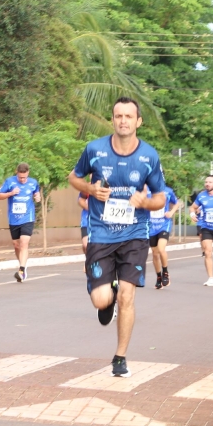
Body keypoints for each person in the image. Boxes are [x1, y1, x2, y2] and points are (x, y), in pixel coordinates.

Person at [67, 96, 167, 378]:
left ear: (138, 121)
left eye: (128, 116)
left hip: (134, 234)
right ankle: (106, 300)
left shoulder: (149, 156)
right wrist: (90, 189)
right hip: (101, 232)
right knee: (101, 300)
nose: (123, 121)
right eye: (118, 116)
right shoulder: (94, 149)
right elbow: (73, 178)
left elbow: (160, 197)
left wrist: (145, 202)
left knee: (127, 295)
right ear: (112, 119)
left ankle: (120, 357)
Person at [0, 163, 41, 282]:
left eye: (24, 177)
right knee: (16, 245)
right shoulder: (10, 181)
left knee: (24, 243)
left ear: (28, 173)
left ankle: (21, 271)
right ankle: (23, 266)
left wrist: (37, 197)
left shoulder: (33, 182)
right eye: (20, 177)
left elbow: (36, 193)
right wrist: (11, 193)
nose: (22, 180)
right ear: (17, 173)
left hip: (28, 217)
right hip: (14, 218)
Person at [147, 184, 179, 288]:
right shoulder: (146, 190)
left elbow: (177, 203)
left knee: (161, 249)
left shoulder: (167, 190)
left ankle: (165, 272)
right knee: (155, 254)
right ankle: (158, 277)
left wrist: (171, 212)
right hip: (151, 226)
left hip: (164, 224)